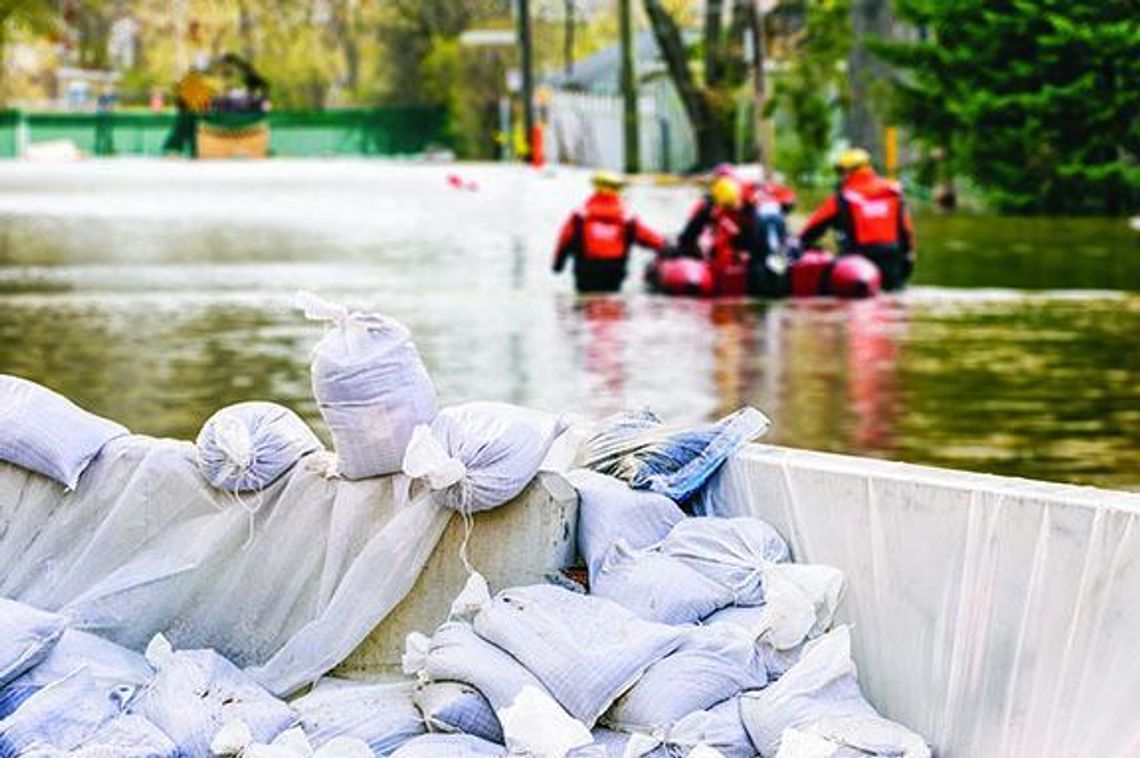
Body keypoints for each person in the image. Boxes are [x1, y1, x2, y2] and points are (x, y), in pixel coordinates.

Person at [797, 147, 916, 291]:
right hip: (893, 259)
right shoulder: (892, 192)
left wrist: (799, 245)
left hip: (858, 264)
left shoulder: (842, 197)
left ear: (848, 172)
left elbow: (811, 229)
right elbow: (906, 229)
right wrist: (910, 254)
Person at [553, 171, 668, 293]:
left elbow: (565, 239)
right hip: (614, 271)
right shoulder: (627, 217)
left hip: (586, 271)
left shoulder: (580, 215)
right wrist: (666, 247)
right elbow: (647, 237)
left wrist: (558, 264)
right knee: (612, 303)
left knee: (585, 304)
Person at [677, 166, 761, 263]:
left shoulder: (749, 205)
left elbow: (688, 236)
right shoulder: (708, 206)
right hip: (726, 254)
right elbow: (689, 235)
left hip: (733, 254)